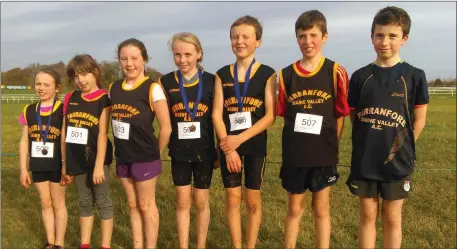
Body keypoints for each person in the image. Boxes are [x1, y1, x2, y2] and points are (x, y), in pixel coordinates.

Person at [346, 6, 429, 249]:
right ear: (371, 36)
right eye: (379, 35)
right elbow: (354, 116)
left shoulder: (414, 75)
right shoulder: (361, 76)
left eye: (393, 36)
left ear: (404, 39)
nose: (385, 42)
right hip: (365, 160)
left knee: (392, 219)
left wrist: (401, 145)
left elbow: (419, 119)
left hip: (397, 161)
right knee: (368, 216)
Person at [277, 10, 350, 249]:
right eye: (302, 36)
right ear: (296, 38)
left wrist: (332, 145)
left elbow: (340, 114)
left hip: (323, 153)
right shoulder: (286, 74)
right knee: (294, 208)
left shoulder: (335, 71)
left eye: (313, 35)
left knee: (321, 208)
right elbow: (284, 115)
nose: (308, 41)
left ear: (325, 37)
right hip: (296, 153)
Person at [212, 15, 276, 249]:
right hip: (228, 146)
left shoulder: (267, 74)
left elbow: (270, 116)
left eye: (245, 37)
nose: (239, 41)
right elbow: (216, 114)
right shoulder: (222, 74)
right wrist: (228, 146)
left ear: (257, 41)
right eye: (235, 37)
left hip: (253, 144)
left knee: (252, 202)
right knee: (232, 200)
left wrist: (240, 139)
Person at [109, 38, 172, 249]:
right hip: (123, 156)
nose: (129, 64)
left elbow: (166, 127)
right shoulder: (114, 88)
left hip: (145, 157)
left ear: (144, 59)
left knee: (146, 205)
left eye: (134, 58)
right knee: (132, 204)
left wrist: (155, 153)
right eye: (124, 58)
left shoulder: (152, 88)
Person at [159, 32, 217, 249]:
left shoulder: (212, 81)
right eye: (177, 54)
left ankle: (200, 245)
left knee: (201, 201)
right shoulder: (165, 82)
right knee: (182, 201)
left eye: (188, 54)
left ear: (199, 54)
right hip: (179, 151)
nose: (182, 60)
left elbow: (218, 116)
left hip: (204, 151)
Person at [62, 54, 114, 249]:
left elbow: (102, 135)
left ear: (95, 72)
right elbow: (65, 133)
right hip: (76, 159)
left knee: (103, 201)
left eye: (84, 74)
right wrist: (65, 164)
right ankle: (85, 244)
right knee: (84, 201)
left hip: (97, 159)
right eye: (76, 76)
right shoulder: (70, 97)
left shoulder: (104, 99)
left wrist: (99, 165)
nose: (80, 80)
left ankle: (105, 245)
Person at [19, 66, 67, 249]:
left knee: (58, 203)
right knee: (45, 203)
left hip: (57, 165)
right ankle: (51, 242)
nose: (41, 87)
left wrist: (65, 165)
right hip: (37, 164)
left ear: (57, 88)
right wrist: (23, 168)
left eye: (47, 84)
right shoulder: (29, 110)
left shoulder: (63, 110)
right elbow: (24, 141)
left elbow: (65, 140)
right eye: (38, 83)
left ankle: (60, 244)